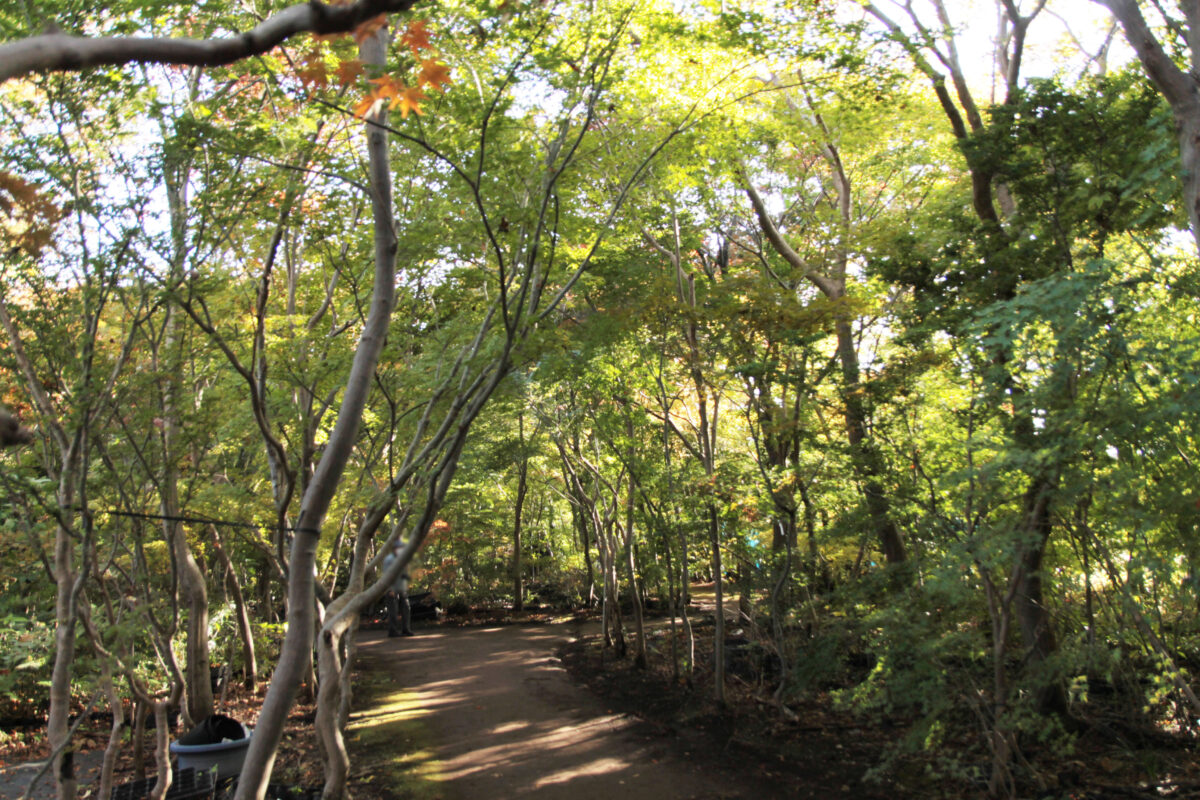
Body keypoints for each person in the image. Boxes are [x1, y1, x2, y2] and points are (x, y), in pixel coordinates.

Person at [382, 541, 413, 637]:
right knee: (393, 610)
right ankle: (393, 631)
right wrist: (390, 589)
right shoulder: (389, 560)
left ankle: (406, 629)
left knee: (406, 607)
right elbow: (386, 575)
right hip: (392, 587)